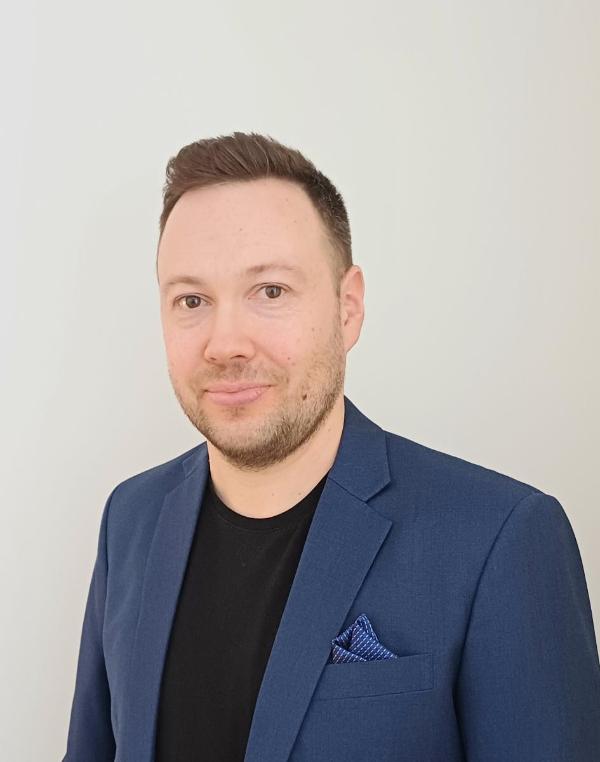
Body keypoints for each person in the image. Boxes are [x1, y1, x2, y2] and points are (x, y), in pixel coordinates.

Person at [63, 132, 600, 762]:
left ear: (348, 309)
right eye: (192, 299)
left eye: (270, 291)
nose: (225, 343)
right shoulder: (129, 519)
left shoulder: (501, 538)